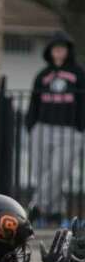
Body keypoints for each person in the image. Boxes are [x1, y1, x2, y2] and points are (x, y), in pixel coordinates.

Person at [25, 31, 85, 220]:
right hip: (42, 128)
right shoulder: (42, 75)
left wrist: (80, 127)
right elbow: (34, 101)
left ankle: (35, 205)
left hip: (70, 130)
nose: (58, 52)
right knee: (42, 172)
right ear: (50, 52)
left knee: (59, 170)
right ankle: (56, 212)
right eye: (55, 49)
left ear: (68, 51)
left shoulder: (78, 74)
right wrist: (31, 125)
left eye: (62, 49)